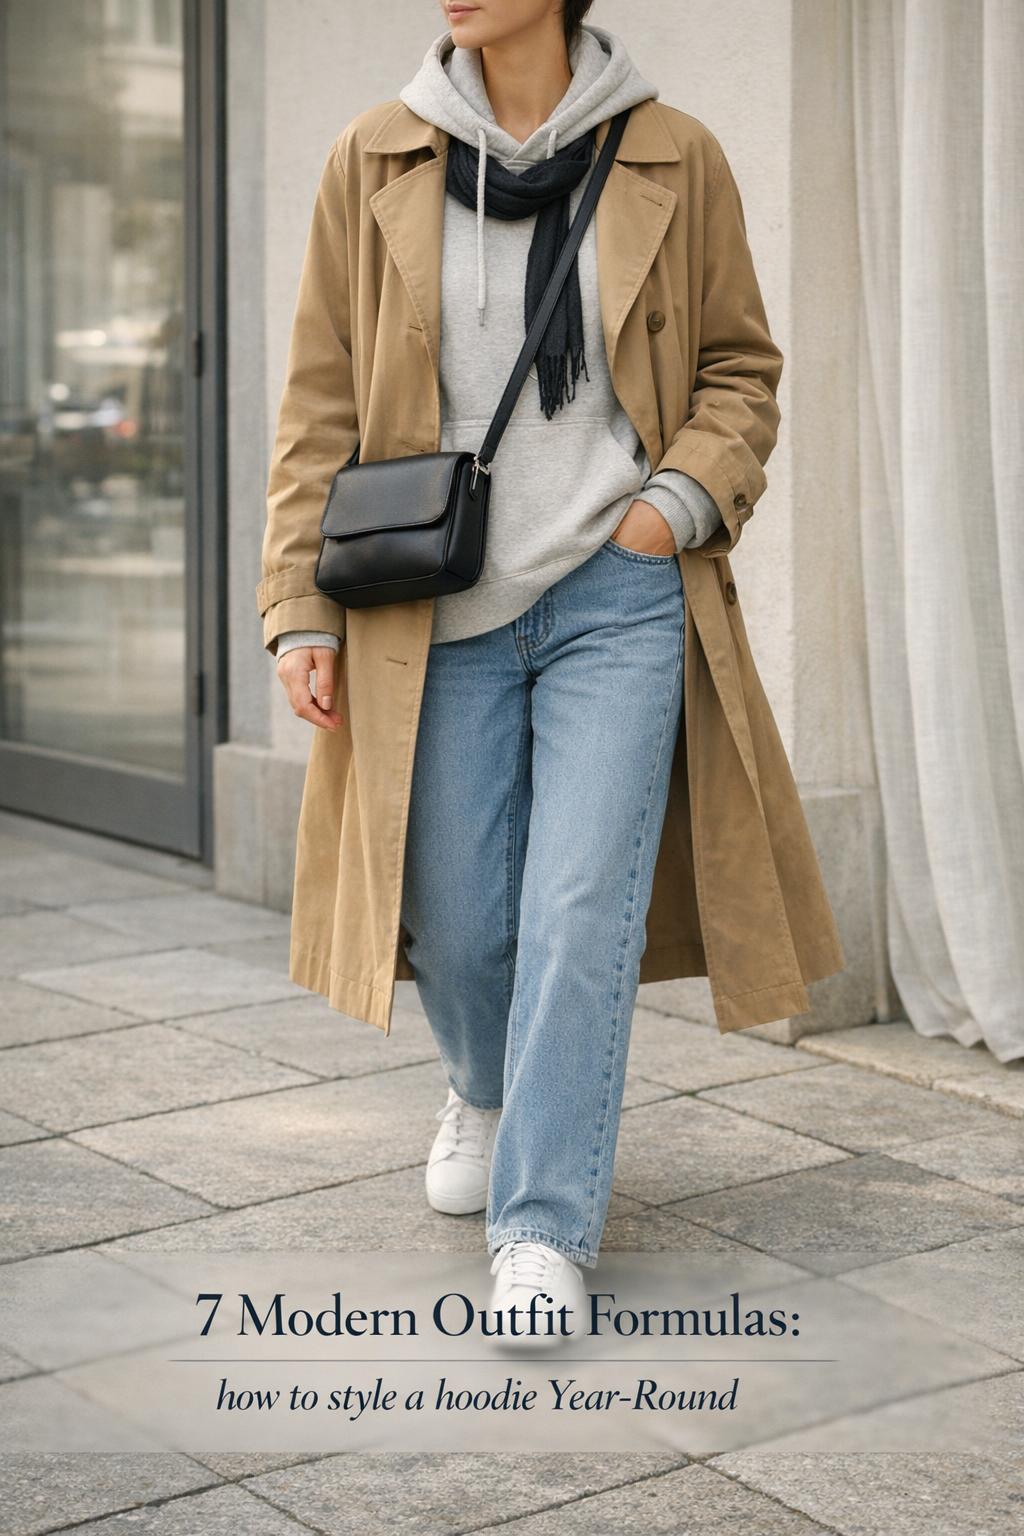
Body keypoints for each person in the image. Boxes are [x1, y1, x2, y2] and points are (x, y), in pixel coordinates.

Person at [266, 1, 789, 1341]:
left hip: (618, 592)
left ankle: (543, 1225)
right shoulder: (372, 158)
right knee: (464, 918)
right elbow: (319, 401)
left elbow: (739, 367)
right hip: (430, 609)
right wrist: (298, 611)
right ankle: (485, 1086)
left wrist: (668, 506)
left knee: (574, 911)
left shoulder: (675, 153)